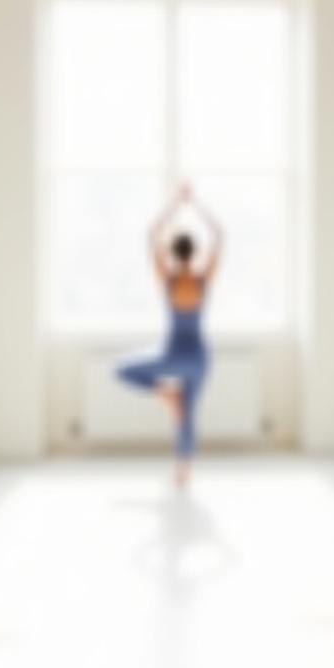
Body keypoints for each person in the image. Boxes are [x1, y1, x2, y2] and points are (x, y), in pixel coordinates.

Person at [117, 183, 224, 487]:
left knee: (123, 369)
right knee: (188, 414)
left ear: (172, 253)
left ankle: (166, 394)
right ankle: (183, 471)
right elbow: (219, 235)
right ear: (196, 252)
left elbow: (152, 235)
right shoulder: (203, 281)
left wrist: (175, 204)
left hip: (173, 356)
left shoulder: (168, 280)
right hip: (200, 359)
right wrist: (195, 203)